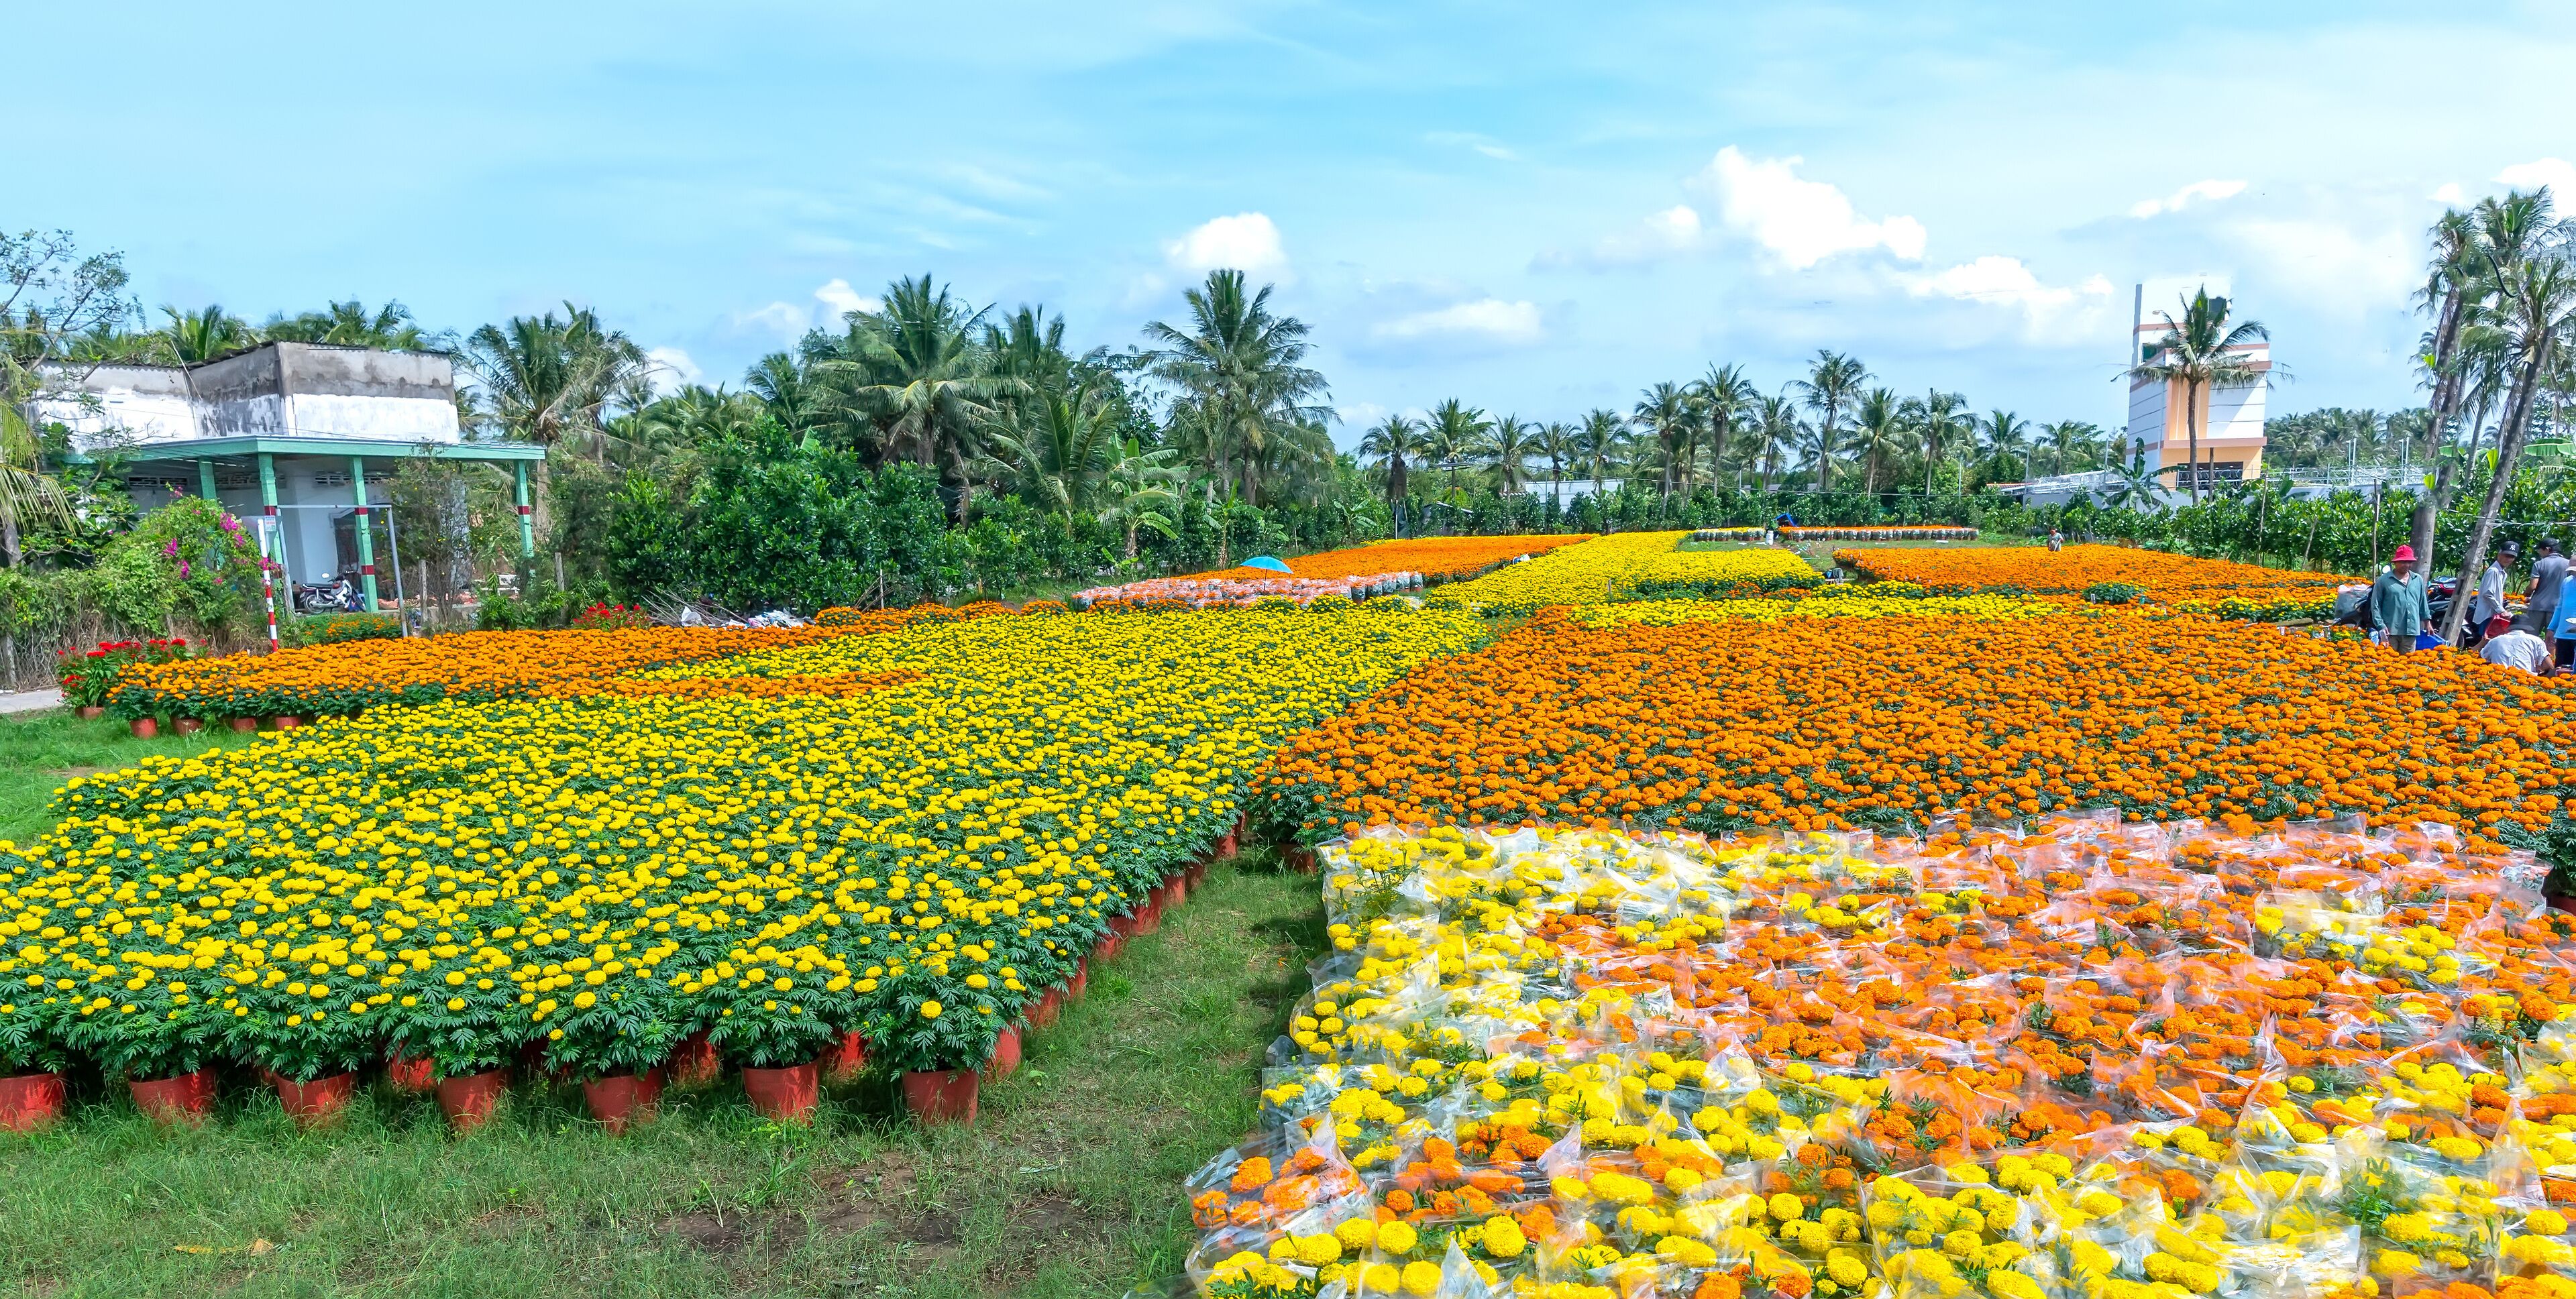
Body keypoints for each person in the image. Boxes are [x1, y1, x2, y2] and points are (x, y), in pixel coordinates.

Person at [2371, 545, 2433, 653]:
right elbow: (2375, 605)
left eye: (2410, 562)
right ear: (2395, 563)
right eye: (2403, 562)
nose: (2407, 565)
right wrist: (2380, 625)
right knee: (2388, 663)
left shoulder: (2417, 579)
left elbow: (2422, 603)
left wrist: (2427, 623)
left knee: (2409, 664)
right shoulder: (2384, 580)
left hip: (2411, 631)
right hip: (2390, 631)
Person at [2469, 543, 2518, 647]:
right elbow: (2488, 594)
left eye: (2512, 557)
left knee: (2489, 643)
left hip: (2493, 613)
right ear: (2499, 555)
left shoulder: (2502, 573)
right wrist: (2501, 610)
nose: (2509, 559)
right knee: (2486, 642)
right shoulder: (2493, 571)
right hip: (2488, 614)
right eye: (2507, 555)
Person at [2481, 622, 2554, 675]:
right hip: (2526, 678)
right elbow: (2548, 666)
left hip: (2499, 676)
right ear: (2526, 629)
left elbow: (2481, 659)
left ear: (2510, 629)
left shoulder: (2496, 640)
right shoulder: (2535, 640)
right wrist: (2539, 667)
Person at [2529, 539, 2568, 635]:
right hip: (2557, 607)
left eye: (2540, 550)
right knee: (2552, 641)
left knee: (2530, 638)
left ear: (2547, 549)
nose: (2539, 552)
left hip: (2537, 607)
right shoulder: (2568, 564)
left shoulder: (2539, 564)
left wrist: (2526, 594)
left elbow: (2533, 586)